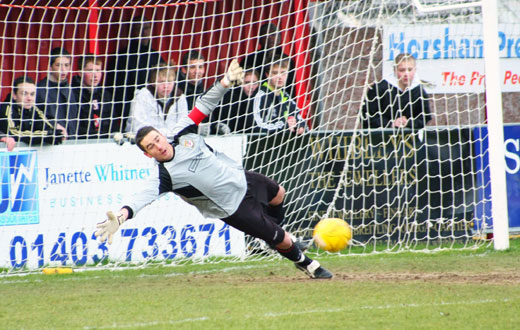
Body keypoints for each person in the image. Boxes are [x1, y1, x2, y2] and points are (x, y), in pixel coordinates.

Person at [95, 60, 332, 279]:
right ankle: (307, 264)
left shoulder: (181, 132)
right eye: (151, 146)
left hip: (241, 179)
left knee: (279, 193)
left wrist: (226, 81)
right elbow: (140, 199)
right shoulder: (164, 176)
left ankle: (276, 238)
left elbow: (204, 104)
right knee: (281, 238)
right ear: (148, 154)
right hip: (233, 207)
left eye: (157, 139)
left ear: (162, 135)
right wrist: (121, 216)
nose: (158, 146)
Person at [105, 15, 167, 132]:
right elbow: (114, 91)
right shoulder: (121, 58)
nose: (143, 32)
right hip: (130, 116)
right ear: (132, 31)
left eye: (146, 28)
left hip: (155, 115)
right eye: (139, 29)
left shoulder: (155, 57)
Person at [361, 53, 432, 129]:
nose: (406, 74)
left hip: (410, 138)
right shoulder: (379, 89)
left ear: (415, 70)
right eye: (402, 70)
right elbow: (366, 117)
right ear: (395, 70)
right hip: (381, 138)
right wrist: (391, 124)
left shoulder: (418, 90)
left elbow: (425, 118)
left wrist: (408, 123)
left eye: (410, 70)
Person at [0, 76, 67, 146]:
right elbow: (13, 133)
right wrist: (44, 136)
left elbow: (48, 127)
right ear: (14, 95)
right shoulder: (6, 108)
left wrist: (54, 132)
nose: (29, 98)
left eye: (32, 94)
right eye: (24, 94)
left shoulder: (35, 109)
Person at [125, 64, 188, 136]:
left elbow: (184, 126)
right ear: (153, 82)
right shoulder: (143, 96)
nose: (166, 86)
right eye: (161, 82)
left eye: (169, 81)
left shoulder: (180, 98)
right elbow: (138, 127)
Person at [252, 54, 306, 135]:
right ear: (267, 75)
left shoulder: (286, 96)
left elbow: (299, 118)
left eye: (283, 73)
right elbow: (255, 126)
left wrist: (300, 126)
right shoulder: (260, 95)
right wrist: (284, 126)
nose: (279, 77)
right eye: (275, 73)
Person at [241, 23, 297, 99]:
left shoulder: (287, 61)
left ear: (279, 38)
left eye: (273, 34)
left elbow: (291, 87)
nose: (270, 38)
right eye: (266, 35)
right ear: (260, 39)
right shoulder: (250, 60)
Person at [36, 47, 80, 138]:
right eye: (59, 65)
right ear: (50, 66)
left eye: (66, 65)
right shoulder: (39, 90)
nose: (63, 70)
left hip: (72, 142)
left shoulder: (71, 89)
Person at [71, 54, 117, 139]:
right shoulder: (72, 94)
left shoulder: (105, 95)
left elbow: (113, 124)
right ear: (80, 73)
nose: (95, 75)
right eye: (90, 70)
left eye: (98, 70)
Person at [211, 69, 260, 134]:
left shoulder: (260, 98)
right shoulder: (229, 98)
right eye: (247, 83)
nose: (251, 87)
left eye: (254, 83)